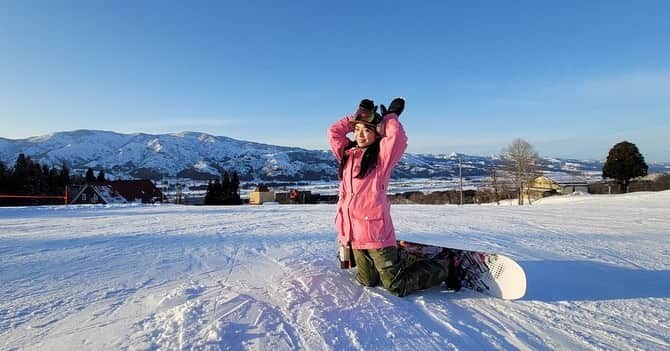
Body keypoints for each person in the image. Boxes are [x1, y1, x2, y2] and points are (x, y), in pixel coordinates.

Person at [328, 98, 458, 297]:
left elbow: (395, 137)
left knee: (396, 286)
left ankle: (446, 267)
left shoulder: (381, 158)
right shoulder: (347, 155)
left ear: (377, 132)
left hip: (376, 233)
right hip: (353, 234)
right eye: (357, 129)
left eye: (366, 130)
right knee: (367, 281)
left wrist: (390, 116)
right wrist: (356, 116)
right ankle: (401, 257)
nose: (359, 134)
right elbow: (334, 132)